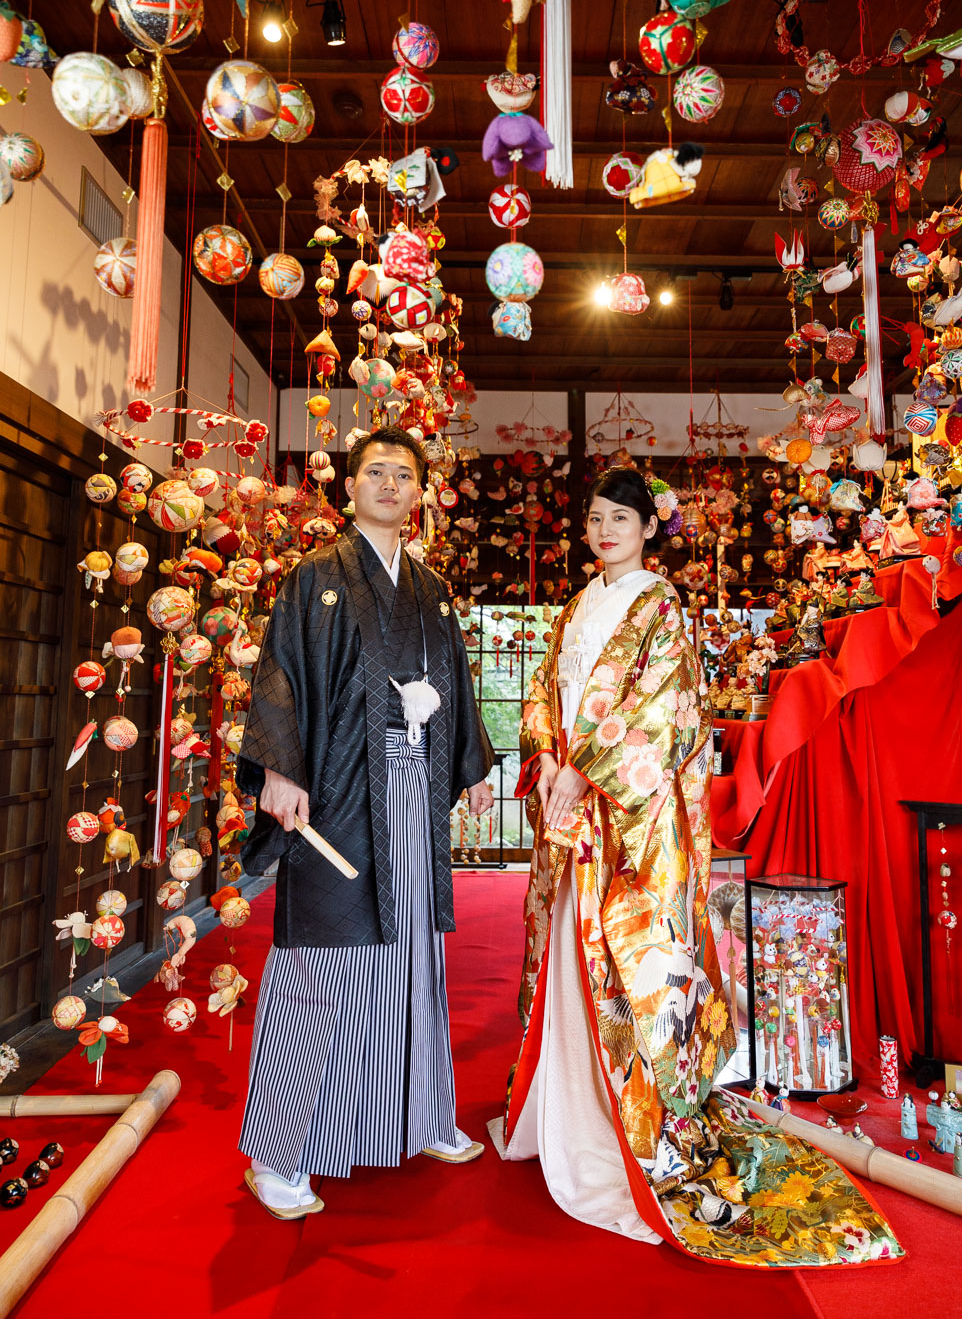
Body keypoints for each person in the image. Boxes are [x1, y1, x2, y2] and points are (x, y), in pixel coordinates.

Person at [493, 466, 903, 1268]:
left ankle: (628, 1125)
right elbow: (545, 689)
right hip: (570, 803)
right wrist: (544, 756)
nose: (604, 530)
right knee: (567, 965)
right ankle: (564, 1109)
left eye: (621, 519)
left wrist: (586, 771)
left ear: (649, 529)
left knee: (625, 964)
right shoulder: (577, 606)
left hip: (627, 820)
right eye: (595, 519)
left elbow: (665, 711)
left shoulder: (662, 606)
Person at [236, 426, 495, 1220]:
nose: (390, 484)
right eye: (375, 472)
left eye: (404, 475)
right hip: (343, 790)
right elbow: (281, 668)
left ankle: (418, 1115)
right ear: (349, 488)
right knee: (324, 960)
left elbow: (450, 676)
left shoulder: (429, 587)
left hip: (413, 786)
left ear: (419, 494)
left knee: (414, 948)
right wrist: (280, 768)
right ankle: (279, 1153)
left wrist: (473, 766)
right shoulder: (315, 577)